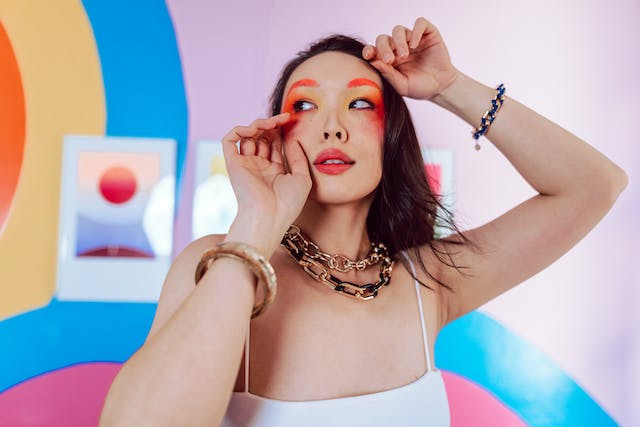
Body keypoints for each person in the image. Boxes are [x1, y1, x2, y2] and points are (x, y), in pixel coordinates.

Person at [100, 17, 627, 427]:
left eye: (358, 104)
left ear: (389, 137)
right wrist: (257, 222)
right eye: (306, 104)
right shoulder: (221, 262)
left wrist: (448, 85)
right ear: (279, 134)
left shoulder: (427, 284)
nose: (332, 127)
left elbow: (593, 185)